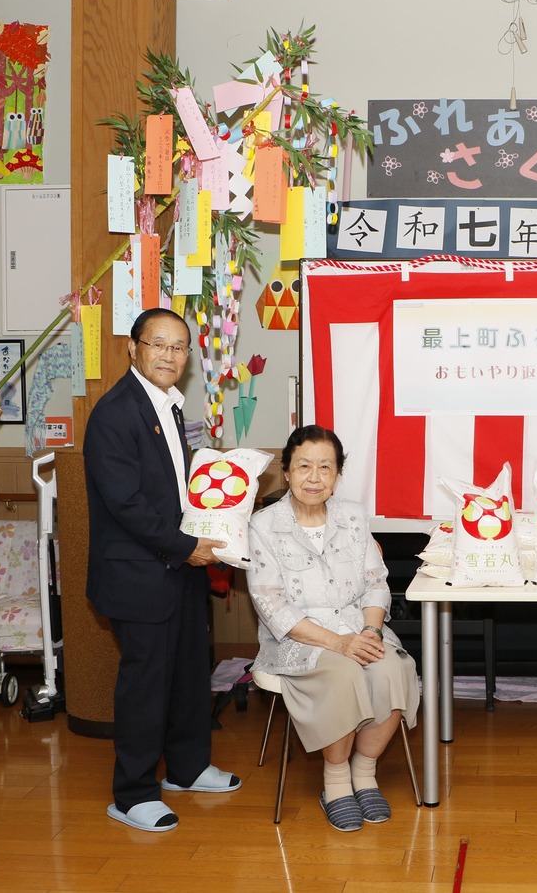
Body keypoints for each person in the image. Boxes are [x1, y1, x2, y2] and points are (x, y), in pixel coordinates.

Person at [84, 307, 239, 833]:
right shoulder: (115, 411)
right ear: (134, 348)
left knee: (191, 673)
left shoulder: (168, 407)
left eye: (179, 346)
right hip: (140, 571)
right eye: (158, 344)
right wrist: (187, 545)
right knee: (146, 684)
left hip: (179, 564)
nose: (169, 355)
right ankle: (131, 794)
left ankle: (189, 768)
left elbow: (174, 490)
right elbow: (126, 504)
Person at [246, 425, 420, 833]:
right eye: (304, 466)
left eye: (326, 467)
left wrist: (372, 633)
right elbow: (271, 604)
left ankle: (364, 771)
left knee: (393, 668)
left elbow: (377, 582)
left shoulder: (354, 516)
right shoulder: (263, 526)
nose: (314, 477)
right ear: (286, 472)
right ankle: (337, 782)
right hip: (298, 639)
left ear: (338, 474)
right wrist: (339, 644)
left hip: (358, 629)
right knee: (343, 674)